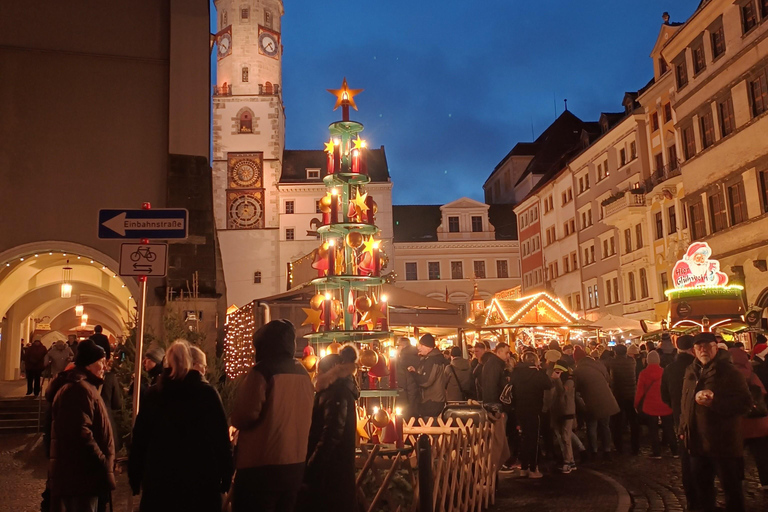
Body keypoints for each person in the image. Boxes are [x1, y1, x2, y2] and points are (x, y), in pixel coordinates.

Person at [129, 340, 233, 512]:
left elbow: (140, 438)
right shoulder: (206, 394)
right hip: (201, 482)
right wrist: (226, 474)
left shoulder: (155, 394)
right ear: (192, 364)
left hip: (160, 482)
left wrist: (135, 475)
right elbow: (221, 439)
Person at [230, 320, 314, 512]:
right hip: (295, 462)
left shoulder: (262, 371)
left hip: (260, 463)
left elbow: (244, 415)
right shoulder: (303, 373)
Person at [679, 332, 752, 512]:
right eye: (699, 347)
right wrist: (683, 427)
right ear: (694, 350)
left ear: (715, 347)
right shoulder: (690, 371)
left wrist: (714, 402)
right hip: (696, 443)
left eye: (707, 346)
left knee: (731, 490)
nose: (703, 350)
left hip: (723, 443)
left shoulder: (729, 372)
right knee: (702, 490)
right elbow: (685, 403)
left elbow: (745, 404)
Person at [49, 339, 115, 512]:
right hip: (80, 478)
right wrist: (102, 461)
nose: (105, 367)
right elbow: (80, 434)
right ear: (88, 365)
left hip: (82, 477)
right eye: (101, 362)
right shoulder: (78, 390)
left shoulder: (86, 387)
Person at [297, 346, 360, 512]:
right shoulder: (334, 391)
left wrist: (311, 467)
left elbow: (331, 434)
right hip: (333, 470)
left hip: (331, 472)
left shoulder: (335, 393)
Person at [661, 334, 698, 509]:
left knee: (686, 455)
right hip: (700, 416)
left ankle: (691, 496)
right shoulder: (698, 366)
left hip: (680, 417)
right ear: (693, 348)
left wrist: (676, 406)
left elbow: (664, 395)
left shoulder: (669, 368)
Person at [729, 347, 768, 490]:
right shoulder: (752, 375)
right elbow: (763, 393)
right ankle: (765, 481)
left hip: (740, 423)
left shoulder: (730, 376)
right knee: (762, 454)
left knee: (737, 453)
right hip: (759, 423)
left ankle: (739, 479)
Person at [509, 351, 552, 478]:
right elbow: (548, 385)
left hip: (519, 409)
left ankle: (524, 467)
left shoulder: (516, 373)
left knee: (523, 437)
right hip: (534, 409)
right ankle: (533, 469)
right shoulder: (538, 374)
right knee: (533, 439)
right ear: (535, 361)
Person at [574, 345, 620, 460]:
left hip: (591, 401)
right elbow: (609, 379)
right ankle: (607, 450)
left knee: (591, 426)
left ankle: (594, 451)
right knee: (605, 426)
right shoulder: (599, 365)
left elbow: (576, 388)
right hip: (606, 398)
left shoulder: (578, 370)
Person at [635, 351, 676, 458]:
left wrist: (636, 404)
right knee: (669, 428)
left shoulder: (643, 373)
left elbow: (640, 391)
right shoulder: (665, 372)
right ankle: (675, 451)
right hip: (665, 404)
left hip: (650, 406)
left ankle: (656, 452)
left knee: (653, 430)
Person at [608, 344, 639, 455]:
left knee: (617, 422)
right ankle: (636, 446)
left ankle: (619, 446)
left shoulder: (613, 362)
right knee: (633, 421)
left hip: (618, 394)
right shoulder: (632, 361)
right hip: (631, 394)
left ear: (616, 352)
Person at [408, 334, 447, 417]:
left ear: (429, 347)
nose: (419, 347)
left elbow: (426, 381)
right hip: (434, 400)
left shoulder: (432, 360)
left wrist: (413, 373)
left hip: (432, 401)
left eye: (422, 345)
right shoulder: (431, 358)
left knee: (429, 426)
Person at [551, 361, 579, 473]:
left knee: (566, 437)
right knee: (563, 437)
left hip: (567, 412)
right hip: (559, 411)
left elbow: (562, 392)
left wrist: (556, 379)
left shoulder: (569, 381)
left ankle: (568, 462)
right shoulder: (559, 381)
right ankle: (570, 461)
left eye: (559, 371)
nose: (557, 373)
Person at [396, 337, 420, 419]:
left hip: (406, 392)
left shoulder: (404, 358)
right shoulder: (416, 355)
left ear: (402, 345)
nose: (397, 347)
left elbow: (404, 378)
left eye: (398, 345)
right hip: (417, 390)